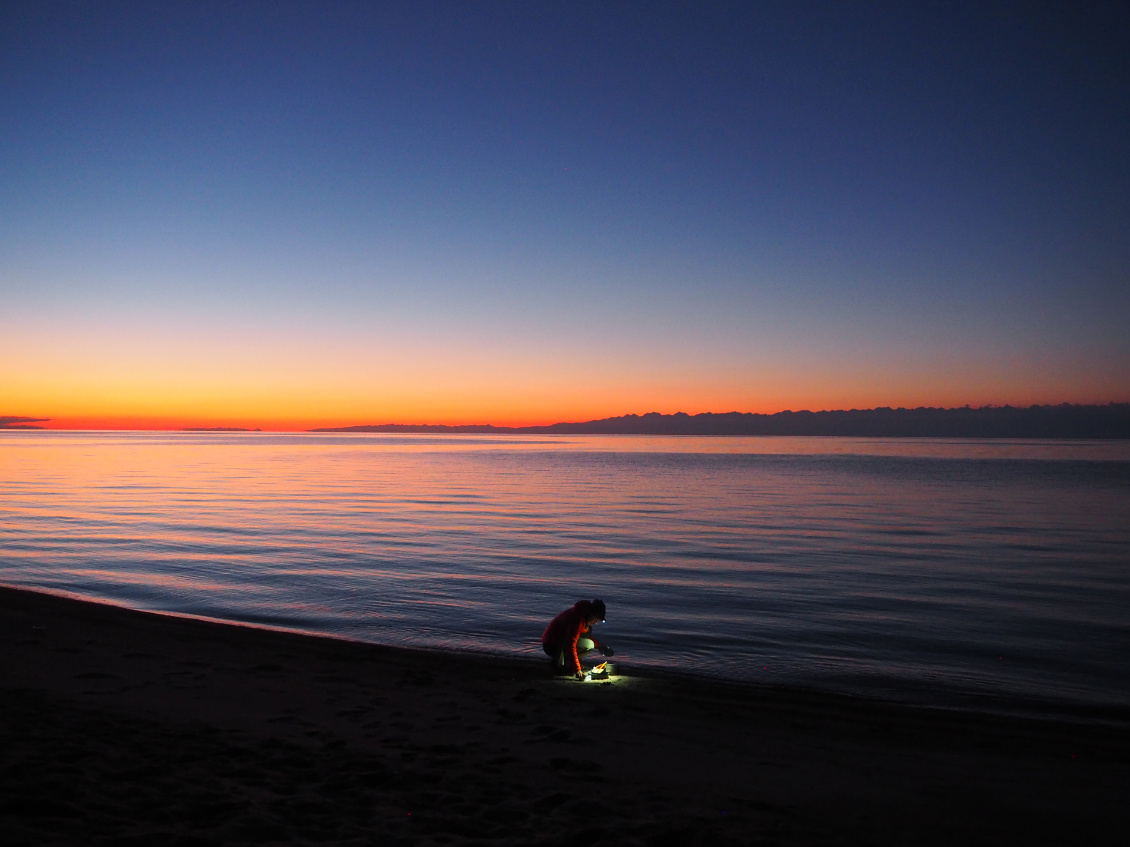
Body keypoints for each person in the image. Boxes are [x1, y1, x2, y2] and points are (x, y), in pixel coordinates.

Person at [542, 598, 614, 679]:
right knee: (589, 645)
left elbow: (582, 637)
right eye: (596, 619)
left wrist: (599, 646)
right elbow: (571, 643)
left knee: (588, 634)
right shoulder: (577, 619)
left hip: (559, 641)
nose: (596, 623)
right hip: (551, 645)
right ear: (592, 615)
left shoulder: (582, 615)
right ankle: (561, 664)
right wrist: (577, 669)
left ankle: (566, 661)